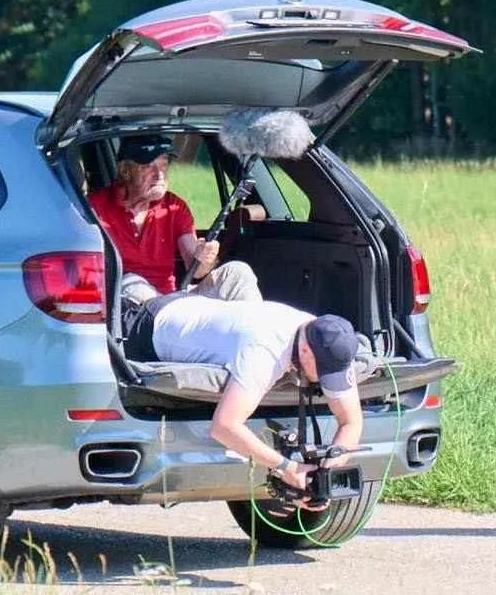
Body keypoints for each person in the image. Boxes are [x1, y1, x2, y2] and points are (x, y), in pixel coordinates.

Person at [148, 291, 364, 496]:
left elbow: (351, 422)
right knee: (131, 288)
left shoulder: (328, 338)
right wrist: (287, 468)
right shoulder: (263, 353)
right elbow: (224, 427)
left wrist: (330, 465)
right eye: (324, 372)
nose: (326, 379)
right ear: (305, 350)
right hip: (155, 322)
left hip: (201, 308)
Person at [88, 134, 260, 303]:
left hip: (170, 300)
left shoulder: (174, 206)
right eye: (148, 166)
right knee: (132, 284)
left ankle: (257, 330)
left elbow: (197, 271)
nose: (160, 175)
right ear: (125, 172)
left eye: (163, 166)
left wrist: (205, 257)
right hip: (131, 308)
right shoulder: (94, 208)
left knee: (238, 273)